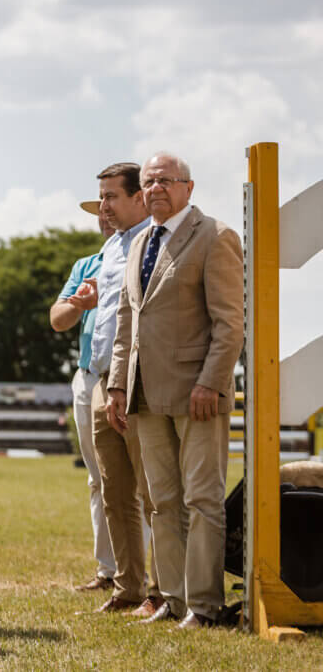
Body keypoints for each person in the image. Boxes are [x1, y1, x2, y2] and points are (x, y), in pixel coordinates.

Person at [107, 152, 243, 629]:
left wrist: (211, 381)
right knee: (161, 501)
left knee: (201, 500)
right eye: (149, 182)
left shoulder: (216, 236)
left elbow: (230, 324)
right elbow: (127, 321)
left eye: (166, 180)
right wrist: (117, 384)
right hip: (145, 394)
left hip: (197, 394)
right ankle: (175, 600)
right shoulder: (139, 243)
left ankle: (204, 605)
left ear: (189, 187)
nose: (156, 189)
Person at [85, 162, 161, 616]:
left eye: (111, 197)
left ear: (138, 198)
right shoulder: (111, 245)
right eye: (102, 197)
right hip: (101, 380)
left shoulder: (153, 242)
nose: (104, 206)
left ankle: (161, 592)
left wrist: (123, 382)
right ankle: (128, 587)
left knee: (152, 493)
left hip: (138, 382)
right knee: (114, 492)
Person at [50, 201, 115, 593]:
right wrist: (79, 302)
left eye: (111, 205)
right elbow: (57, 319)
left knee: (139, 483)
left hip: (128, 376)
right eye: (100, 210)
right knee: (98, 478)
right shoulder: (86, 265)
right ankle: (108, 571)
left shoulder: (142, 258)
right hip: (88, 376)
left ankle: (146, 577)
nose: (104, 216)